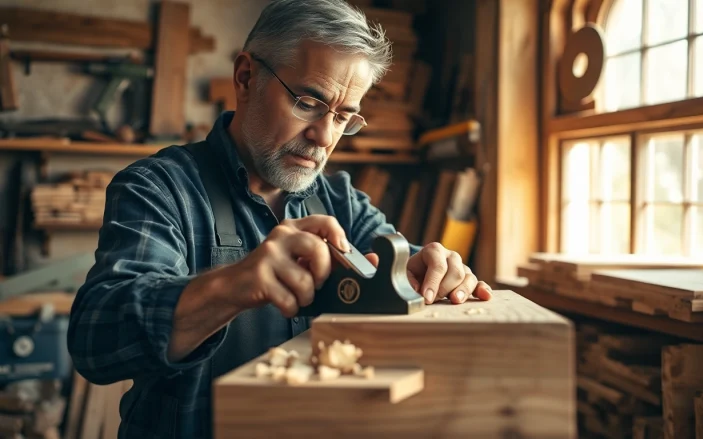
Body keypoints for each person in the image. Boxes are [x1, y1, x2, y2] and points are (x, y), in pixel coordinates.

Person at [67, 0, 493, 437]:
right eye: (308, 103)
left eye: (343, 117)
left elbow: (397, 265)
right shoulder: (158, 188)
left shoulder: (339, 199)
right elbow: (95, 342)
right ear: (246, 77)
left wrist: (429, 269)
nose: (324, 136)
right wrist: (233, 285)